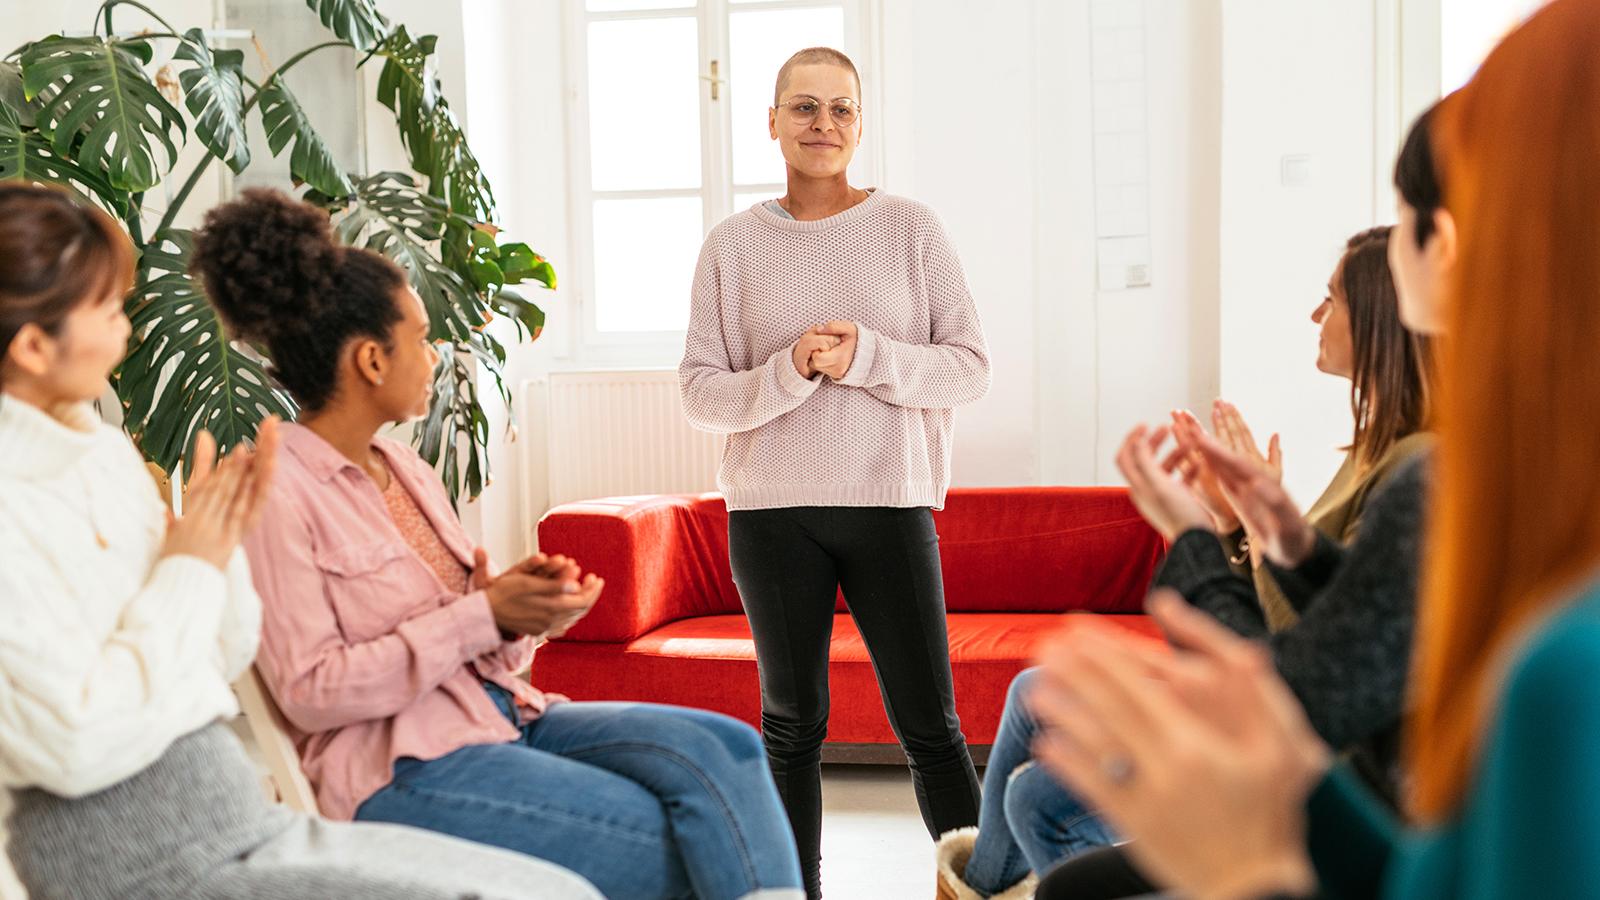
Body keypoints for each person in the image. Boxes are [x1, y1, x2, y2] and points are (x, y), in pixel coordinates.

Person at [1030, 2, 1600, 897]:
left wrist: (1192, 540)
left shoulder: (1450, 492)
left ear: (1443, 248)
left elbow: (1307, 694)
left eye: (1330, 295)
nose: (1315, 314)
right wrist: (1283, 537)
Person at [0, 182, 601, 900]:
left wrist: (213, 562)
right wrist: (187, 572)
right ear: (36, 345)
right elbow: (74, 742)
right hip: (137, 856)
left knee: (553, 890)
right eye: (105, 311)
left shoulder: (101, 455)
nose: (125, 330)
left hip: (239, 815)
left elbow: (219, 655)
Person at [199, 188, 802, 900]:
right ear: (369, 360)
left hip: (498, 715)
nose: (433, 356)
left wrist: (521, 615)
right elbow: (310, 692)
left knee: (727, 751)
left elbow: (479, 638)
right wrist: (482, 615)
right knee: (662, 839)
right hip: (398, 767)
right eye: (420, 338)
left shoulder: (407, 470)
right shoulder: (276, 492)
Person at [937, 226, 1435, 899]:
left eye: (1332, 297)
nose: (1317, 314)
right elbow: (1320, 610)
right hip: (1293, 728)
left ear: (1379, 319)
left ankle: (974, 887)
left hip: (1305, 761)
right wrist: (1251, 524)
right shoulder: (1376, 454)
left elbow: (1296, 657)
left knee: (1038, 775)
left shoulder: (1415, 471)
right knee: (1034, 748)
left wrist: (1209, 530)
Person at [678, 46, 992, 899]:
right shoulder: (731, 246)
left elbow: (969, 366)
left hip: (890, 502)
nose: (824, 126)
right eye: (805, 108)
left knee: (931, 726)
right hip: (773, 513)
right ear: (772, 122)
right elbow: (701, 393)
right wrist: (792, 370)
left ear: (861, 123)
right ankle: (794, 891)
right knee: (791, 724)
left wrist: (866, 358)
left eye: (841, 110)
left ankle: (990, 890)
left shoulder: (911, 229)